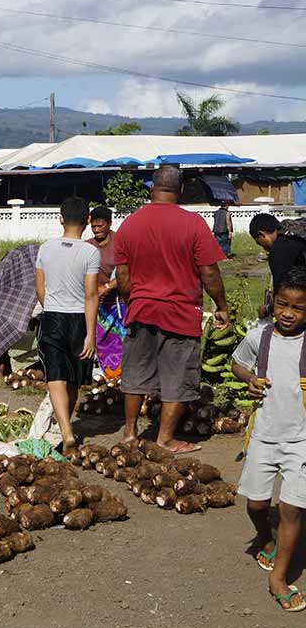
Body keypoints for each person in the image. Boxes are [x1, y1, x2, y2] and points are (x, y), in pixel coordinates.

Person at [114, 165, 228, 454]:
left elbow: (123, 276)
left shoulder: (130, 224)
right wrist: (221, 305)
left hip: (141, 310)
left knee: (135, 373)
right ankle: (164, 439)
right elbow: (209, 272)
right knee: (178, 377)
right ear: (181, 190)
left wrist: (130, 302)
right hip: (180, 313)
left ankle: (130, 433)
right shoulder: (194, 224)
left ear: (152, 188)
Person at [230, 266, 306, 612]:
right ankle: (264, 536)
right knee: (257, 505)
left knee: (291, 507)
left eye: (298, 307)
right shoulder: (259, 337)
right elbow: (238, 364)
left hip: (301, 440)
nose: (288, 313)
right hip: (264, 434)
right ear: (273, 301)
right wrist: (248, 378)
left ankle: (279, 577)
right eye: (282, 304)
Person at [34, 197, 100, 457]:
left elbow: (40, 287)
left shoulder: (46, 248)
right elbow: (91, 295)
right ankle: (67, 429)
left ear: (60, 218)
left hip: (53, 317)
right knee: (73, 377)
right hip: (79, 320)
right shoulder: (90, 252)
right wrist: (91, 334)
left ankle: (65, 432)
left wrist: (51, 306)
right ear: (87, 221)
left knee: (55, 376)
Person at [88, 206, 125, 380]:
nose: (97, 230)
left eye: (100, 226)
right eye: (93, 227)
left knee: (118, 340)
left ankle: (119, 376)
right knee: (101, 340)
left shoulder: (120, 243)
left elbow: (128, 273)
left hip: (118, 304)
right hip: (97, 303)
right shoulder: (88, 246)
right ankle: (105, 375)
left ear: (109, 223)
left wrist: (108, 286)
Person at [249, 213, 306, 317]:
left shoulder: (279, 250)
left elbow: (282, 293)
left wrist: (267, 309)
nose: (263, 247)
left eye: (259, 243)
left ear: (261, 234)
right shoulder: (294, 233)